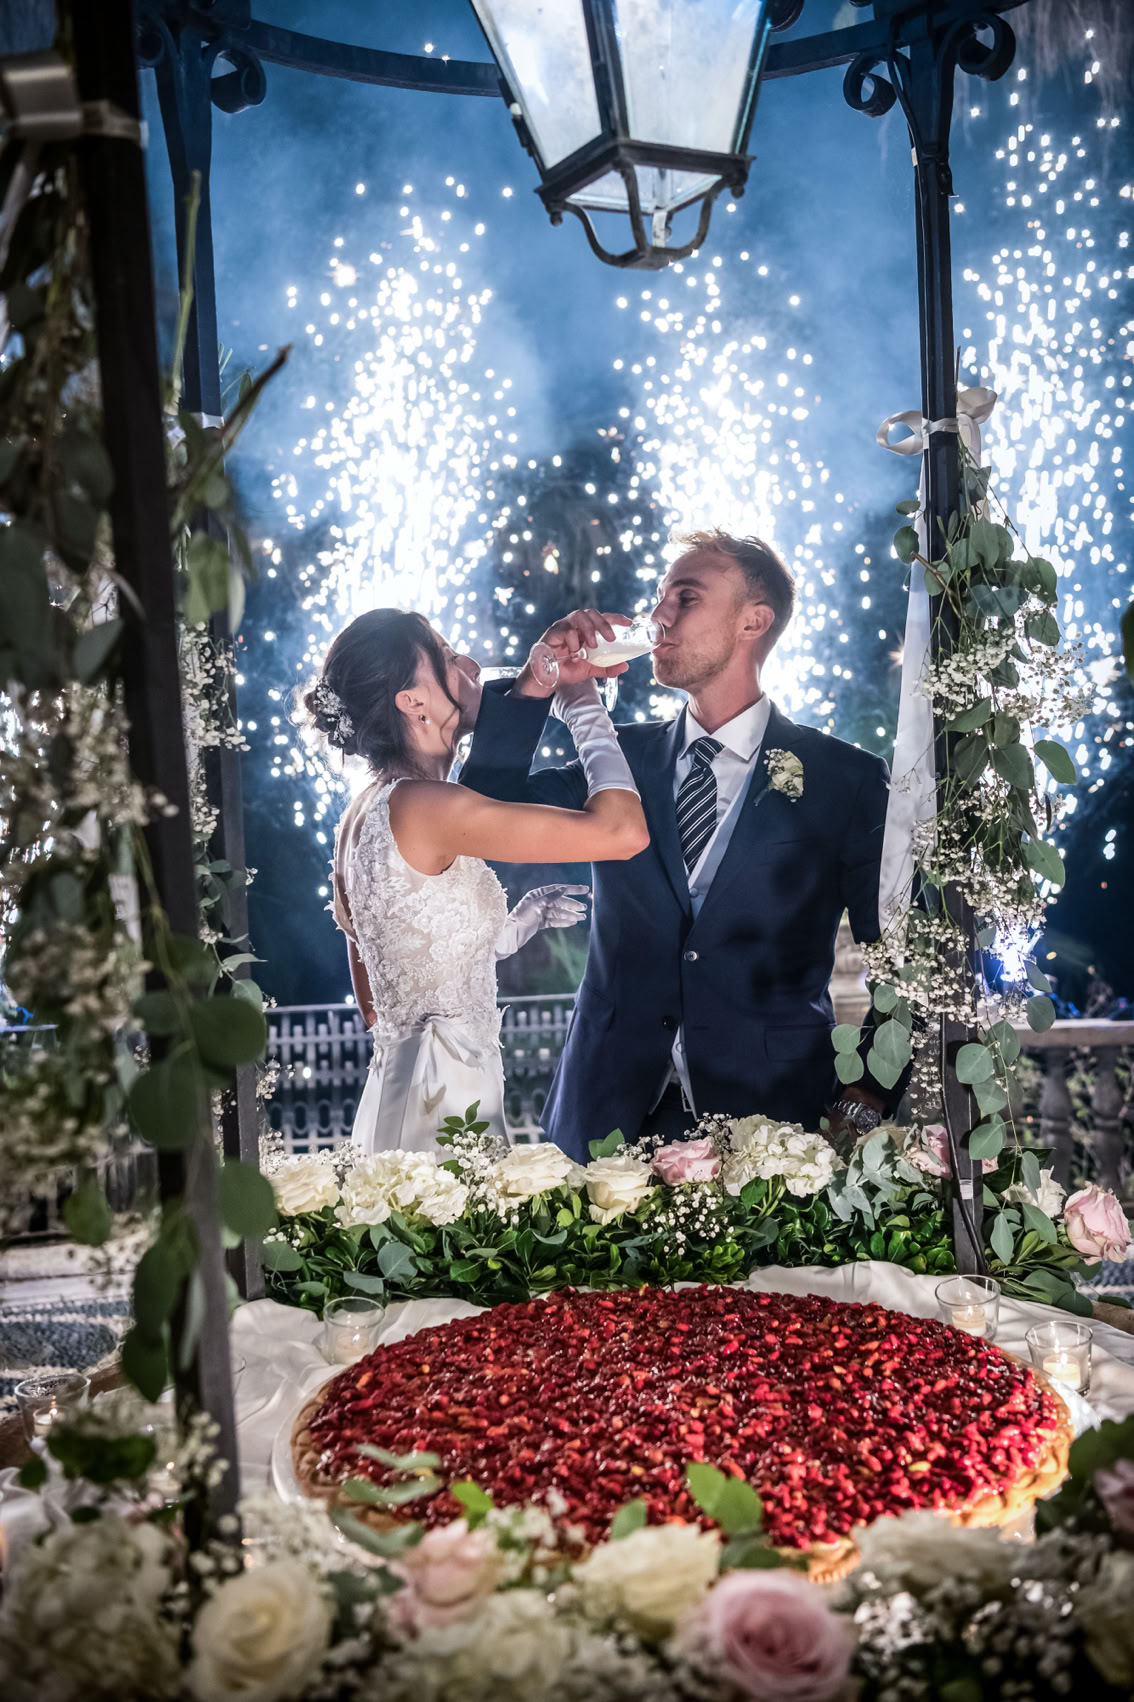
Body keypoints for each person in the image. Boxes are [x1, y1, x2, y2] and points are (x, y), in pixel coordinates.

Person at [459, 529, 895, 1164]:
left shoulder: (846, 781)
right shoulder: (618, 761)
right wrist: (537, 682)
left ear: (755, 620)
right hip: (605, 1116)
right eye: (661, 596)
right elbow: (480, 817)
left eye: (685, 597)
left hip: (778, 1126)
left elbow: (905, 964)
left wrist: (860, 1108)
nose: (658, 614)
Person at [305, 608, 647, 1155]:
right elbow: (621, 832)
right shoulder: (424, 807)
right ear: (411, 701)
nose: (470, 662)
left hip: (404, 1091)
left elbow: (378, 991)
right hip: (450, 1104)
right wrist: (580, 707)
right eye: (444, 657)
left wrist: (537, 685)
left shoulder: (363, 813)